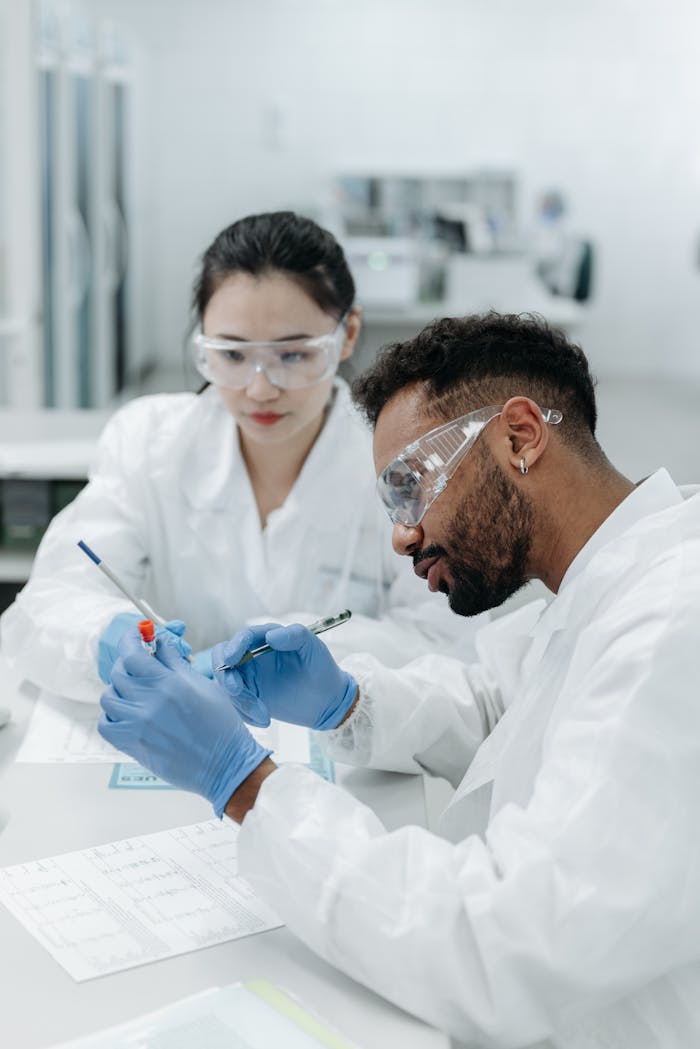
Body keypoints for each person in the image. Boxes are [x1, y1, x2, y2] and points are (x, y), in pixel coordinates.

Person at [98, 312, 700, 1049]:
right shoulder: (613, 576)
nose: (402, 534)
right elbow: (505, 709)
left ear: (520, 436)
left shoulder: (672, 625)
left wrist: (246, 783)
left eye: (411, 485)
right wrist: (348, 701)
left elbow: (500, 947)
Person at [0, 211, 479, 704]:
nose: (260, 388)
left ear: (348, 333)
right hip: (174, 731)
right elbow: (43, 609)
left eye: (292, 355)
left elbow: (452, 640)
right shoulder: (149, 442)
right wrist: (109, 639)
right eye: (231, 356)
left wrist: (313, 652)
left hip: (345, 755)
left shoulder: (405, 463)